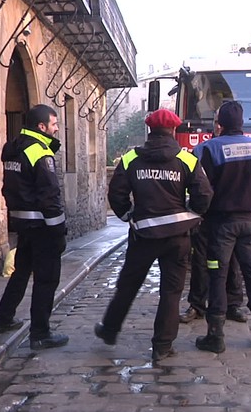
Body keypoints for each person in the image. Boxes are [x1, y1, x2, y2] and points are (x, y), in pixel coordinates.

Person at [94, 108, 213, 362]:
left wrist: (129, 216)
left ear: (149, 130)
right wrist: (190, 217)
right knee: (171, 291)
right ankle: (162, 345)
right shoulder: (188, 160)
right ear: (173, 130)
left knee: (127, 285)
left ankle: (109, 329)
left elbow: (116, 194)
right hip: (177, 237)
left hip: (143, 236)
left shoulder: (130, 159)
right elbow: (204, 195)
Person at [0, 104, 70, 350]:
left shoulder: (12, 148)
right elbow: (50, 194)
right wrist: (59, 229)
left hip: (22, 223)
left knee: (21, 271)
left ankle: (3, 319)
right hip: (42, 226)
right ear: (41, 126)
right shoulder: (39, 151)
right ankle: (40, 333)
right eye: (54, 125)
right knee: (46, 279)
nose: (57, 129)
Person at [193, 100, 251, 353]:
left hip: (221, 225)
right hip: (249, 222)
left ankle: (215, 336)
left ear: (219, 123)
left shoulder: (208, 148)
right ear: (242, 123)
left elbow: (202, 188)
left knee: (217, 275)